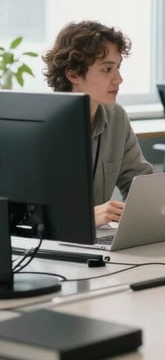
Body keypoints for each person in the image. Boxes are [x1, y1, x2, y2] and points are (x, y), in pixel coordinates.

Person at [42, 20, 153, 227]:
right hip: (51, 247)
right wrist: (85, 217)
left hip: (99, 242)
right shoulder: (42, 126)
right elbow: (27, 216)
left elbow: (140, 183)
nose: (118, 79)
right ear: (73, 74)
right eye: (107, 69)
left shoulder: (116, 117)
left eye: (118, 67)